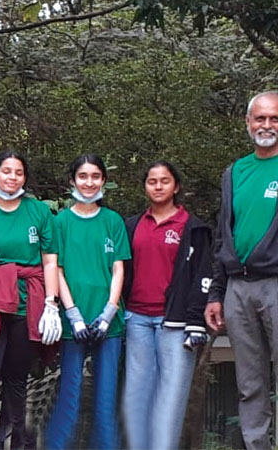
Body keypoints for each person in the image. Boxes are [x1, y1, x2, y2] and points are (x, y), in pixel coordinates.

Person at [0, 150, 60, 448]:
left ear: (25, 178)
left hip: (27, 303)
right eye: (7, 171)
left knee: (17, 378)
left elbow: (49, 262)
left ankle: (14, 440)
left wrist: (51, 303)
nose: (12, 177)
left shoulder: (39, 213)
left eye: (18, 172)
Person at [121, 160, 212, 450]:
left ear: (177, 186)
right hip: (136, 319)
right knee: (136, 398)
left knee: (169, 401)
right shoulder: (132, 225)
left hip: (175, 323)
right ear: (145, 186)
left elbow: (203, 275)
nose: (158, 186)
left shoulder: (194, 228)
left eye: (164, 181)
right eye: (152, 181)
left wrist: (196, 321)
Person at [205, 91, 278, 449]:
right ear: (248, 123)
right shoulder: (234, 172)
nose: (267, 125)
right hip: (238, 289)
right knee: (250, 383)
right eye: (260, 118)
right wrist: (216, 293)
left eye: (274, 118)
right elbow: (223, 236)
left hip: (276, 286)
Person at [44, 154, 129, 450]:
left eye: (95, 176)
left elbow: (119, 268)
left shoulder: (113, 221)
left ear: (103, 180)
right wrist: (73, 314)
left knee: (106, 401)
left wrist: (109, 312)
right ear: (72, 181)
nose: (89, 182)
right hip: (73, 324)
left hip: (110, 325)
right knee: (70, 395)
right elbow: (57, 269)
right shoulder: (61, 222)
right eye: (83, 176)